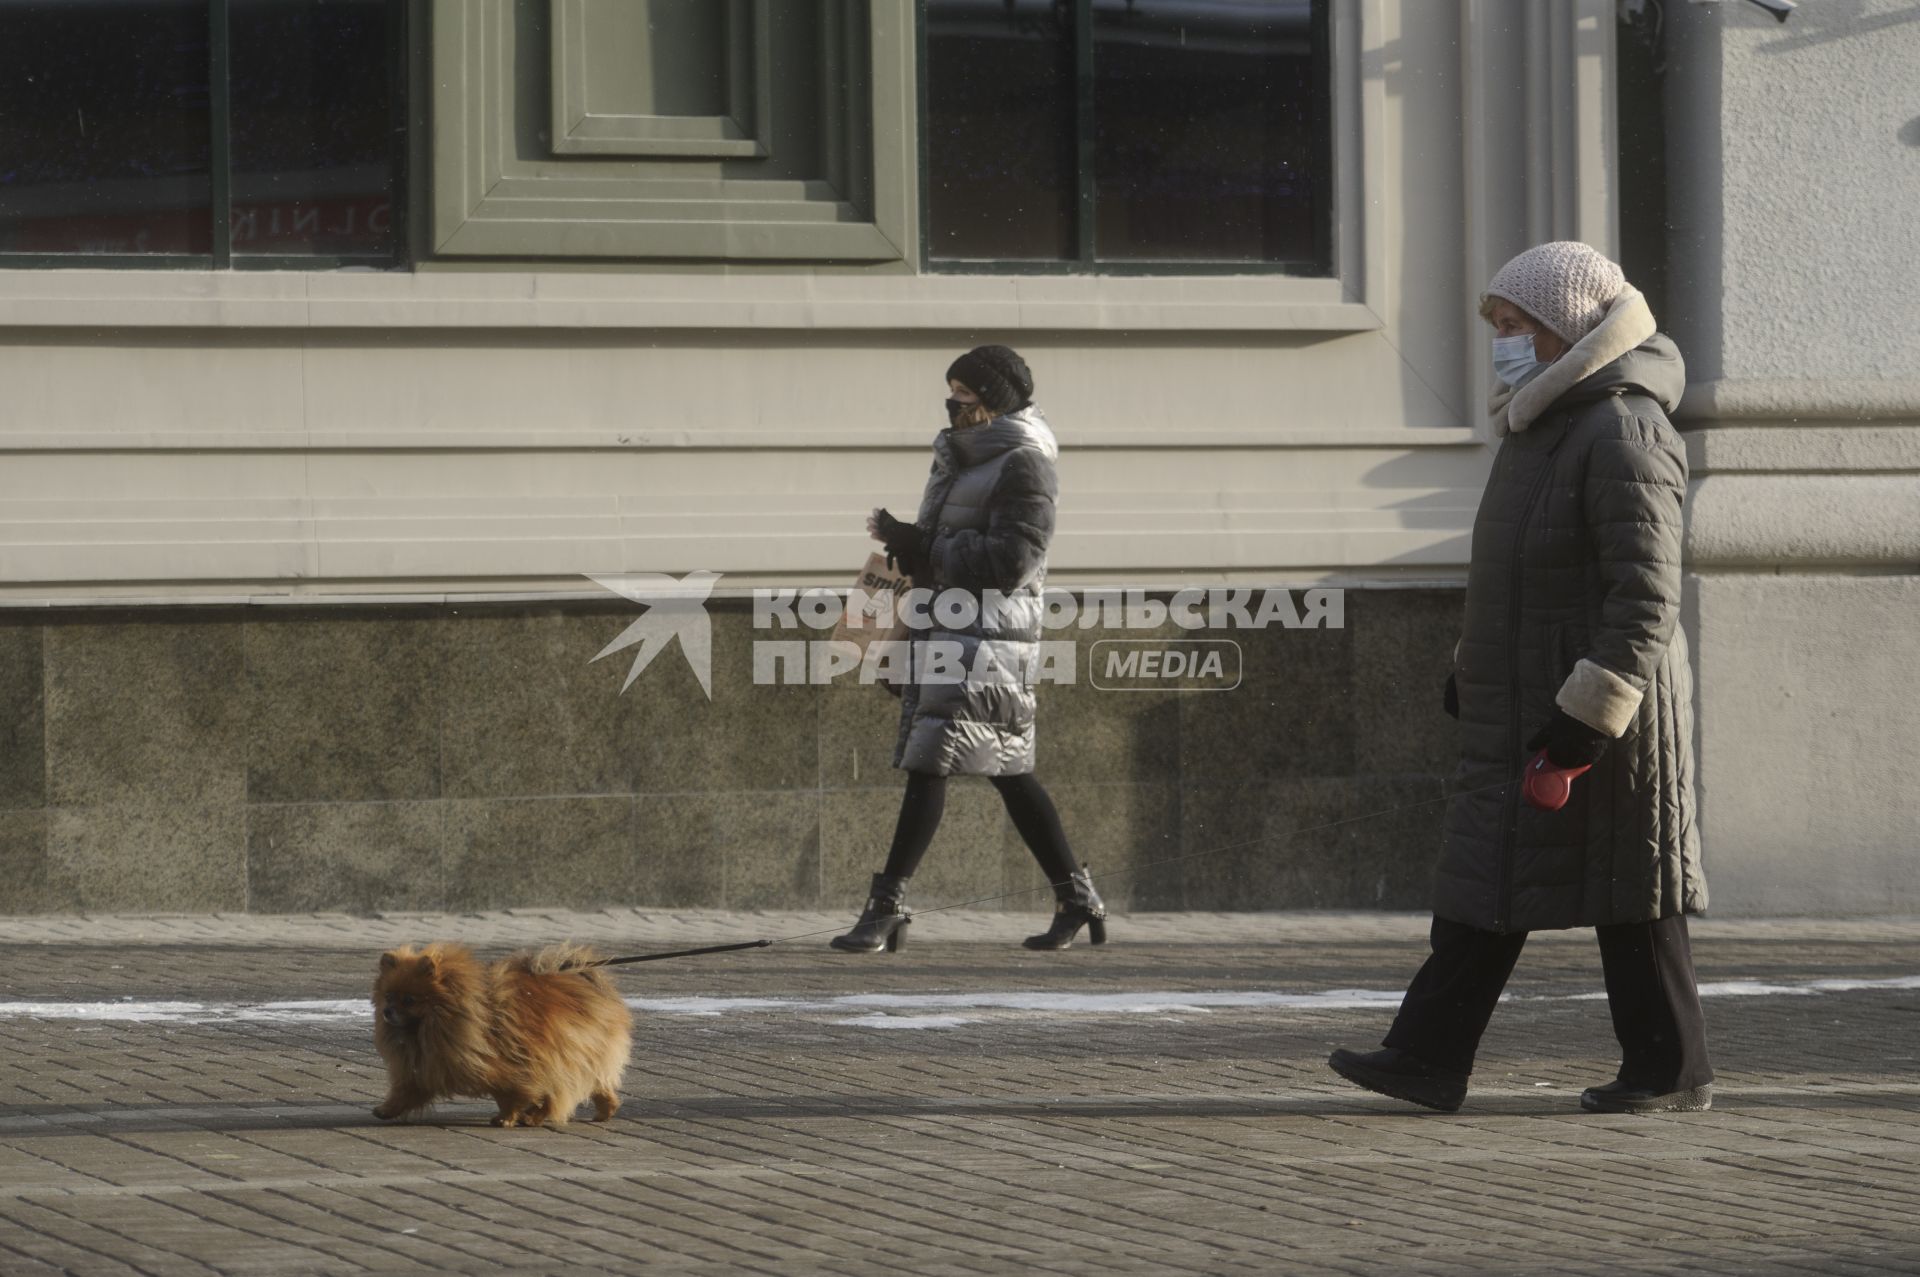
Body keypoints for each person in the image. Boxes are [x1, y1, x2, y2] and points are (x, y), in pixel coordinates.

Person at [1329, 242, 1712, 1115]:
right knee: (1490, 876)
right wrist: (1475, 669)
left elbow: (1645, 599)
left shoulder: (1624, 427)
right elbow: (1516, 576)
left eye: (1515, 325)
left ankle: (1669, 1068)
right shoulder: (1544, 423)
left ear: (1569, 326)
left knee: (1634, 887)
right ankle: (1427, 1056)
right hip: (1525, 697)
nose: (1502, 342)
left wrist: (1586, 718)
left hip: (1602, 711)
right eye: (1498, 325)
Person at [830, 345, 1107, 954]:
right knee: (1010, 769)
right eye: (950, 393)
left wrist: (923, 545)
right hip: (952, 625)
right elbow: (957, 541)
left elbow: (1012, 560)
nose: (953, 405)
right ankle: (1077, 896)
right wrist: (906, 540)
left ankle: (885, 907)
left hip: (988, 637)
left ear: (997, 401)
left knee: (931, 759)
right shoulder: (968, 454)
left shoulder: (1025, 463)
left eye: (966, 396)